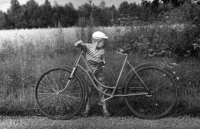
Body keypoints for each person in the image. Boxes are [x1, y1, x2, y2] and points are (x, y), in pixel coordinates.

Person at [74, 31, 110, 117]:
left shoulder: (102, 51)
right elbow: (77, 45)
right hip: (89, 73)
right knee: (88, 92)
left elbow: (103, 61)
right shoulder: (88, 47)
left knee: (102, 91)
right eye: (103, 42)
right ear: (97, 41)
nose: (104, 44)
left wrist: (102, 63)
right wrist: (78, 43)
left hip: (99, 73)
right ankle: (87, 110)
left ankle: (105, 110)